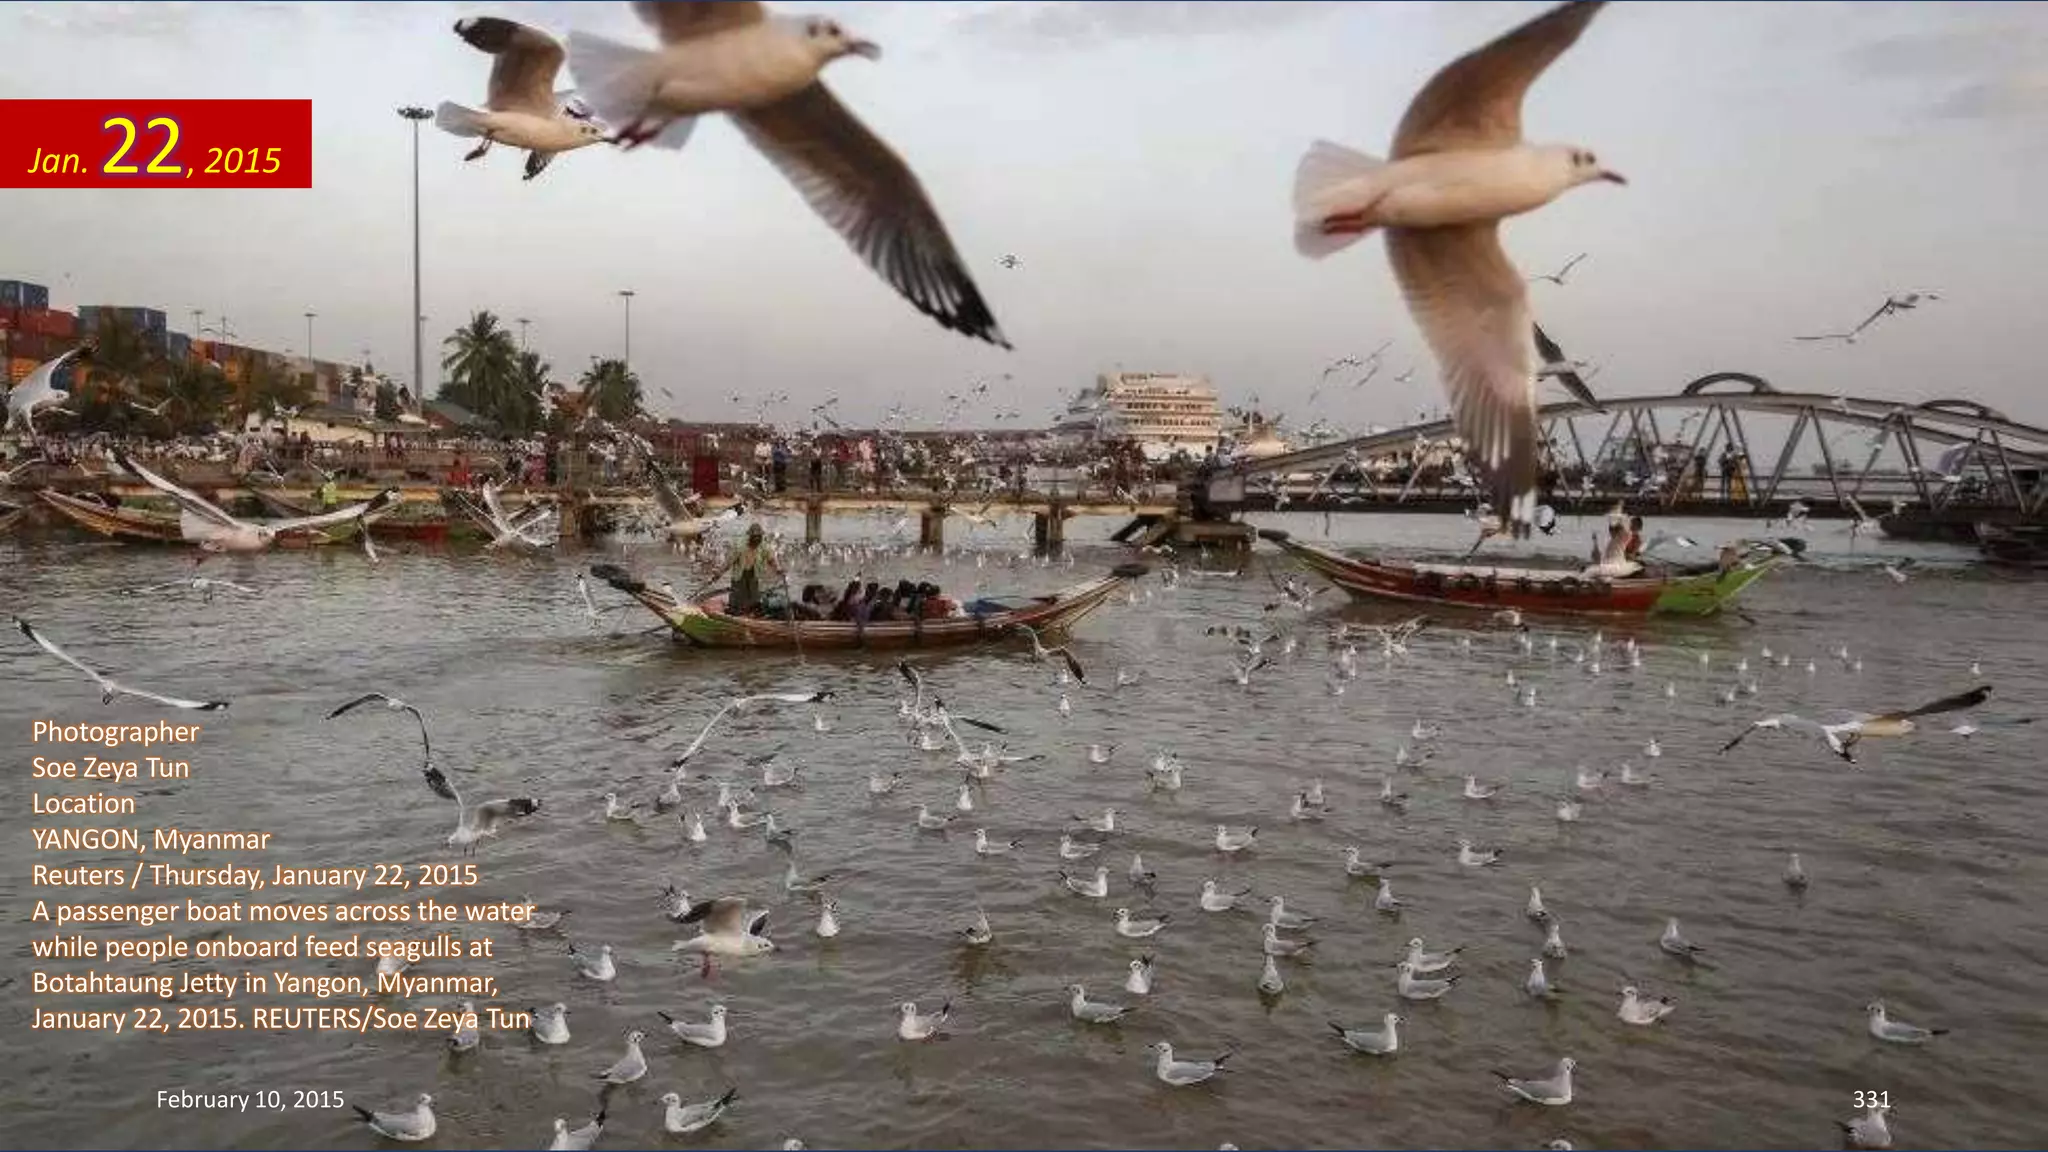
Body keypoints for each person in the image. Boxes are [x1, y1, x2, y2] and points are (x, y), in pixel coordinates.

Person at [724, 523, 783, 616]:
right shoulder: (740, 546)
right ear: (750, 536)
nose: (756, 539)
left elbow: (771, 559)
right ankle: (735, 613)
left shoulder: (763, 546)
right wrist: (718, 573)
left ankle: (751, 616)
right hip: (740, 575)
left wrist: (778, 568)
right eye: (754, 537)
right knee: (737, 601)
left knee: (754, 601)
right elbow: (728, 562)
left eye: (759, 537)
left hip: (754, 575)